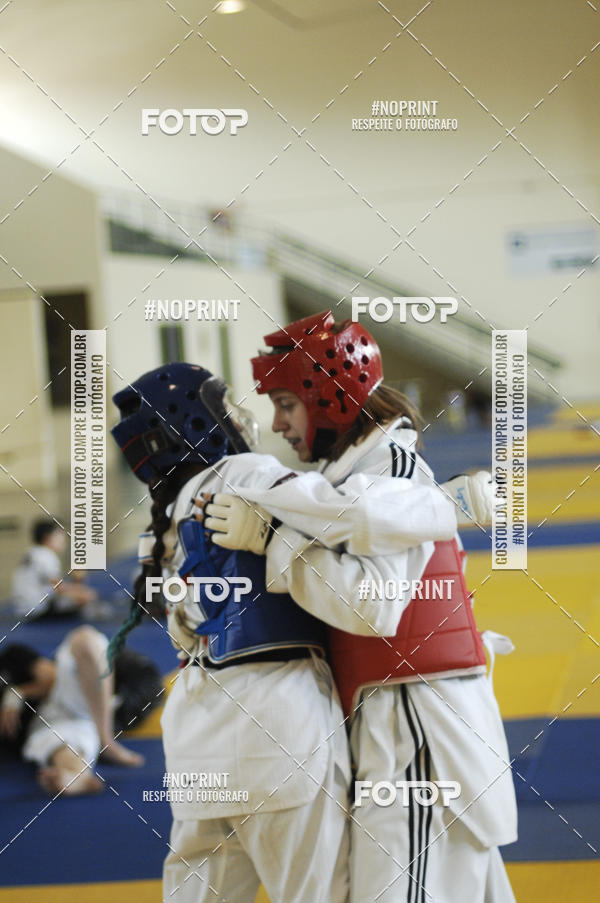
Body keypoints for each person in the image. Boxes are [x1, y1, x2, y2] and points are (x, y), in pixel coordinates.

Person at [201, 311, 517, 903]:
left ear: (330, 400)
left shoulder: (393, 472)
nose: (278, 424)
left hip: (421, 736)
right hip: (397, 724)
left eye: (287, 404)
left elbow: (375, 610)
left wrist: (273, 539)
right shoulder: (355, 477)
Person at [108, 363, 355, 903]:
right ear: (193, 420)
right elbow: (351, 517)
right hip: (279, 728)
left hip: (198, 744)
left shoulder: (162, 527)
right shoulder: (249, 475)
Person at [0, 627, 159, 795]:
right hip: (46, 725)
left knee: (84, 640)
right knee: (61, 744)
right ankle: (75, 776)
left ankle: (106, 740)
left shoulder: (9, 658)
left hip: (62, 697)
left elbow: (50, 677)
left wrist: (18, 693)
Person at [11, 520, 99, 620]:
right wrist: (80, 585)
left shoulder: (32, 552)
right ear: (47, 537)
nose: (63, 540)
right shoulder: (46, 556)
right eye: (59, 535)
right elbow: (59, 588)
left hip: (22, 609)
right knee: (86, 596)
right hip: (37, 611)